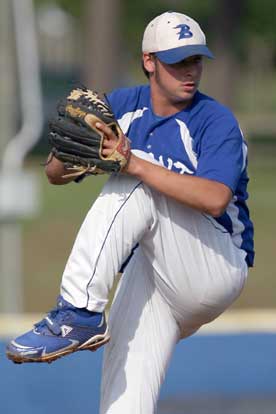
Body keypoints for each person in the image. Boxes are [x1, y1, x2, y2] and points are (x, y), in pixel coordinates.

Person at [7, 11, 254, 414]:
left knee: (134, 177)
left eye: (195, 60)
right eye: (178, 61)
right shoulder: (123, 106)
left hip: (214, 261)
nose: (190, 70)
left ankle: (78, 312)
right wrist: (79, 152)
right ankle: (82, 313)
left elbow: (215, 198)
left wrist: (131, 163)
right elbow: (54, 172)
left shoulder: (215, 121)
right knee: (124, 399)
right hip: (153, 271)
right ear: (149, 61)